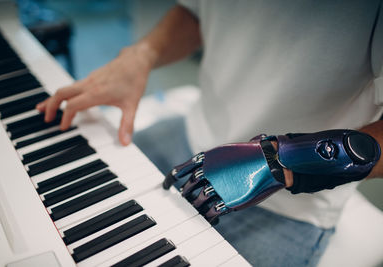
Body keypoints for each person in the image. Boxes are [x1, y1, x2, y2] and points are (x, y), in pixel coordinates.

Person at [36, 1, 383, 266]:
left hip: (289, 206)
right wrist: (142, 55)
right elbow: (197, 11)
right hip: (190, 134)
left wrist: (283, 160)